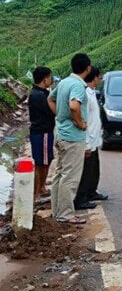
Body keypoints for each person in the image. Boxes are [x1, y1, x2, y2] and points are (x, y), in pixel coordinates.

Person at [48, 53, 92, 224]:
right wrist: (80, 123)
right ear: (88, 68)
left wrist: (60, 116)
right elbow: (74, 106)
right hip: (72, 137)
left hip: (60, 132)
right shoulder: (78, 86)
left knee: (60, 174)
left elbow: (50, 99)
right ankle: (66, 214)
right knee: (70, 176)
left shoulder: (64, 82)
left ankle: (57, 211)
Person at [75, 67, 108, 210]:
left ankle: (91, 192)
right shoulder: (85, 95)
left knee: (94, 168)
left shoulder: (92, 93)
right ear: (94, 78)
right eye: (98, 77)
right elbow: (83, 118)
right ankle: (81, 198)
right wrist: (87, 142)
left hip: (94, 138)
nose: (99, 80)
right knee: (86, 171)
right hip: (88, 138)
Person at [28, 66, 55, 201]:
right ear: (45, 79)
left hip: (43, 132)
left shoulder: (40, 93)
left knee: (46, 160)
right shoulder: (39, 96)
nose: (51, 80)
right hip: (42, 132)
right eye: (50, 77)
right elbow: (51, 112)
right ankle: (37, 191)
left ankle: (41, 187)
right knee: (41, 163)